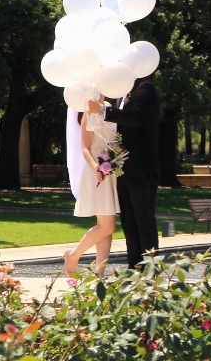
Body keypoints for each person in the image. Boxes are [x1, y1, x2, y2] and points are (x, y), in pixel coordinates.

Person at [91, 76, 161, 268]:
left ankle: (149, 269)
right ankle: (134, 267)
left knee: (144, 221)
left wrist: (103, 110)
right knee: (129, 222)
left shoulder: (145, 89)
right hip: (124, 169)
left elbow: (136, 118)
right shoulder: (121, 95)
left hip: (142, 169)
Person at [63, 100, 120, 276]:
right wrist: (96, 167)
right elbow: (85, 148)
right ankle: (73, 255)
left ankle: (99, 275)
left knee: (106, 226)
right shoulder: (87, 110)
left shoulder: (109, 107)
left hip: (111, 168)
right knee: (107, 226)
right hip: (96, 171)